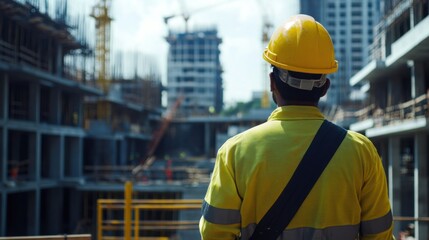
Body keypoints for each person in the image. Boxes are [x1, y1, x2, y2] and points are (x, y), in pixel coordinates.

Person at [199, 14, 394, 240]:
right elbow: (380, 235)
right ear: (325, 88)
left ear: (272, 82)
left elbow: (214, 234)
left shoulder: (234, 153)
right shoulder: (362, 152)